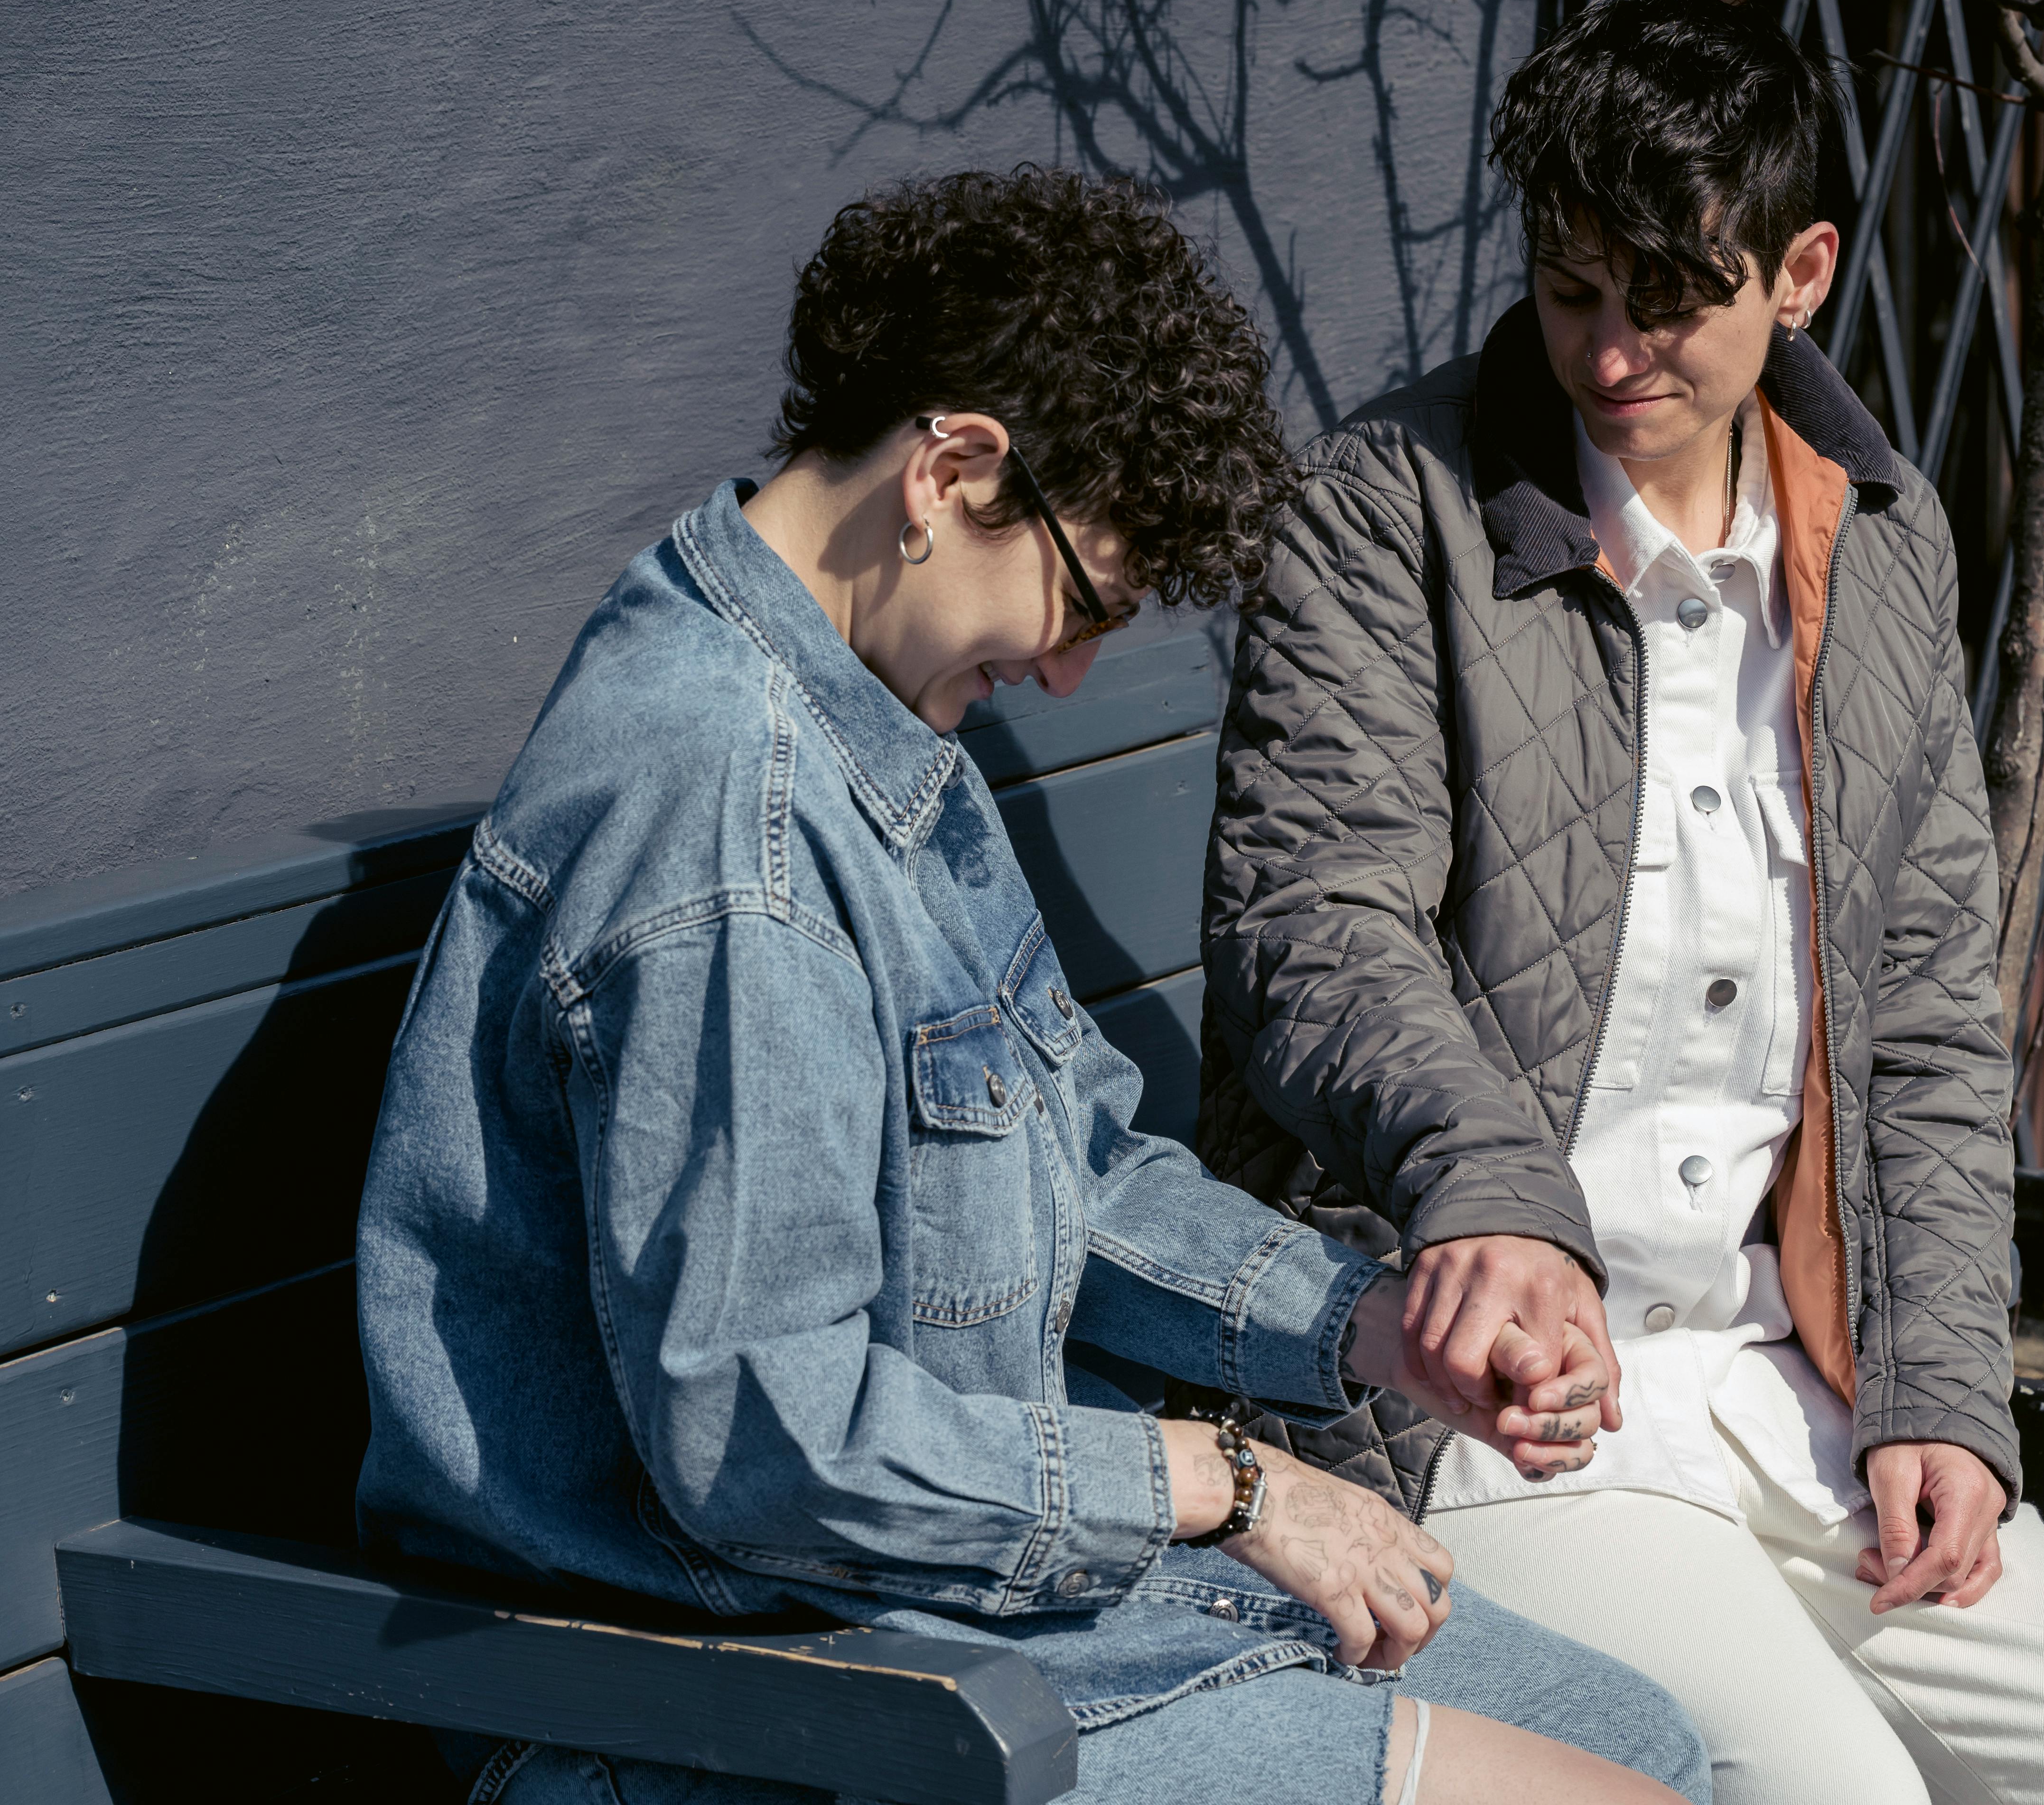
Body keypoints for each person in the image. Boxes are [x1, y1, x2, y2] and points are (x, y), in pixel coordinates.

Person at [354, 166, 1710, 1805]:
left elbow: (1071, 1171)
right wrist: (1232, 1486)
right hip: (726, 1692)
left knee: (1649, 1757)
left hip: (956, 1620)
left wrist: (1362, 1332)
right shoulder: (727, 828)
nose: (1066, 671)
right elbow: (772, 1447)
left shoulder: (870, 722)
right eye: (1086, 603)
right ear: (954, 467)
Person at [1198, 0, 2044, 1805]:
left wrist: (1940, 1396)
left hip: (1797, 1393)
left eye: (1673, 301)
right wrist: (1492, 1195)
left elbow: (1929, 1011)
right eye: (1572, 293)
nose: (1614, 357)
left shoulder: (1883, 538)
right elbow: (1316, 924)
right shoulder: (1396, 509)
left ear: (1802, 272)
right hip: (1507, 1409)